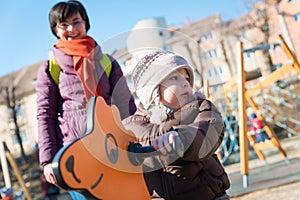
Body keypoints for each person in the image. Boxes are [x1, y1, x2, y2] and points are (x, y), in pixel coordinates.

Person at [36, 1, 136, 199]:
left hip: (114, 148)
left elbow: (127, 106)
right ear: (55, 30)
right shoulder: (51, 68)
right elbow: (45, 116)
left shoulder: (106, 62)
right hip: (76, 154)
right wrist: (48, 161)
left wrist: (138, 140)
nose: (71, 29)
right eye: (64, 25)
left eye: (76, 22)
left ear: (86, 24)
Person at [123, 50, 230, 200]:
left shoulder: (200, 108)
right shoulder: (133, 126)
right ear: (152, 91)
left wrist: (180, 138)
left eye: (186, 77)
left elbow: (207, 134)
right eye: (174, 78)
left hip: (207, 194)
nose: (185, 83)